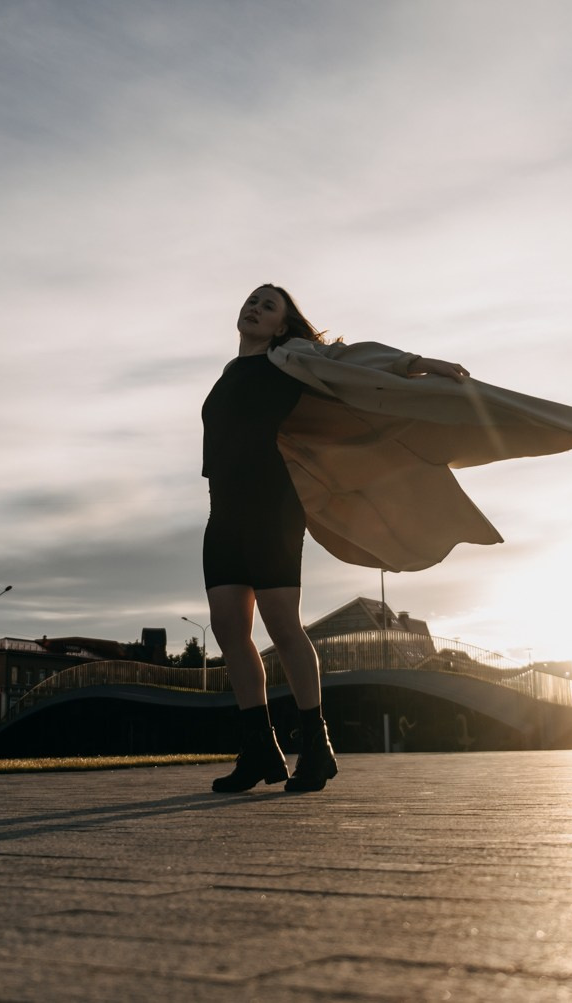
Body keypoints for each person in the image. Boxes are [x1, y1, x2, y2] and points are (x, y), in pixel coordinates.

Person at [201, 284, 482, 794]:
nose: (255, 307)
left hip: (272, 508)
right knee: (228, 630)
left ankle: (317, 746)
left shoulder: (290, 358)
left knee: (282, 625)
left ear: (283, 325)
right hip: (224, 512)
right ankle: (259, 748)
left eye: (268, 305)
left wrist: (418, 364)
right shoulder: (229, 372)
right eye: (252, 300)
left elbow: (352, 359)